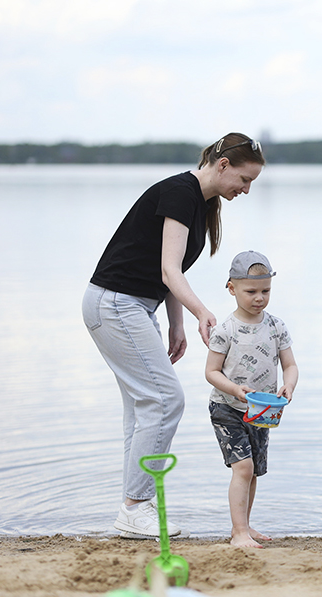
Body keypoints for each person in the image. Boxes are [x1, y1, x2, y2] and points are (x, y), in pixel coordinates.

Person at [82, 133, 266, 537]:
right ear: (223, 166)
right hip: (115, 304)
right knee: (165, 399)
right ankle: (136, 506)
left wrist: (177, 323)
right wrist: (201, 311)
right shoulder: (181, 193)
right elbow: (169, 270)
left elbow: (167, 273)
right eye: (244, 179)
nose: (246, 189)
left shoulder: (201, 203)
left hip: (131, 305)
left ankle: (132, 506)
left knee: (143, 407)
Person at [205, 250, 298, 548]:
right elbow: (211, 372)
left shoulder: (276, 326)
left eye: (265, 291)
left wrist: (289, 385)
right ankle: (238, 532)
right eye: (251, 292)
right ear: (232, 288)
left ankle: (245, 525)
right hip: (227, 406)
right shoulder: (225, 330)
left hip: (262, 409)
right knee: (242, 467)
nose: (259, 298)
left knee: (254, 469)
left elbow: (290, 365)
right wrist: (233, 389)